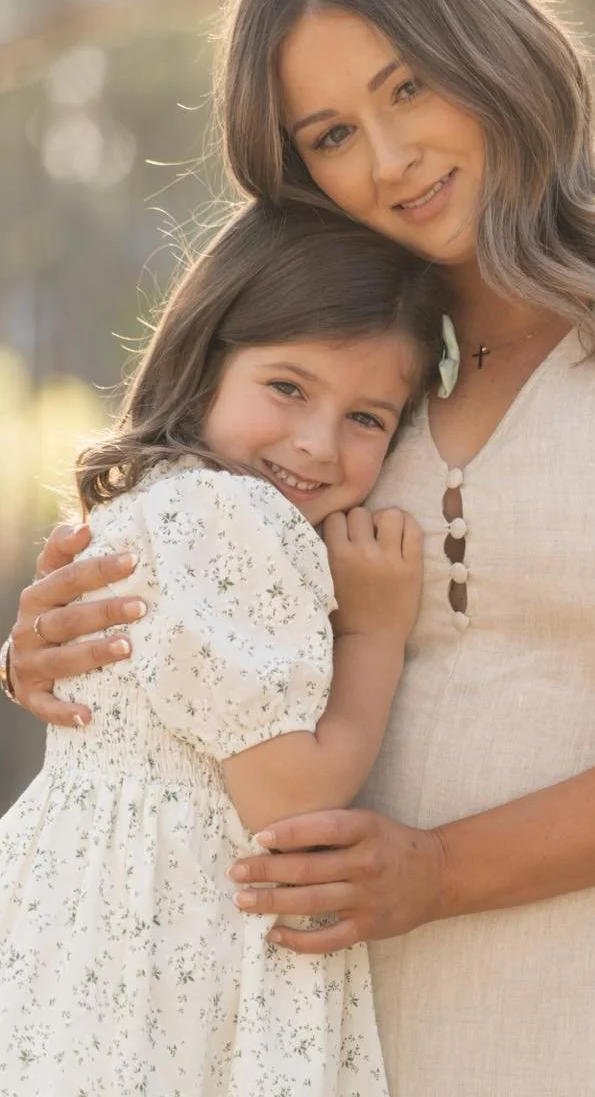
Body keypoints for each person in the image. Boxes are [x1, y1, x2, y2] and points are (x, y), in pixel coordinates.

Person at [2, 0, 595, 1094]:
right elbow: (201, 601)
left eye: (410, 87)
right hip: (336, 1026)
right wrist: (59, 646)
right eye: (329, 133)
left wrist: (436, 874)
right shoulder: (346, 379)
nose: (388, 159)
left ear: (494, 44)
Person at [0, 198, 448, 1096]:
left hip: (89, 942)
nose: (316, 444)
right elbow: (293, 799)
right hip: (179, 959)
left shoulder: (152, 505)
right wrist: (375, 632)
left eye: (368, 419)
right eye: (287, 388)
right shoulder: (237, 520)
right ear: (205, 363)